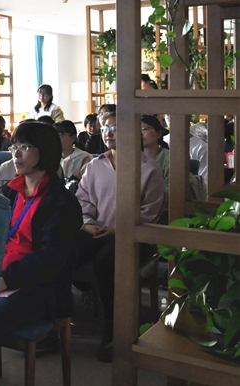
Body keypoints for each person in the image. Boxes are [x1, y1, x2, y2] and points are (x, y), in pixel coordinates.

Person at [75, 111, 165, 362]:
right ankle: (54, 319)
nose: (108, 133)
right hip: (97, 230)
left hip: (135, 237)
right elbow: (82, 200)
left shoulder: (148, 168)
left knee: (107, 262)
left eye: (115, 128)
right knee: (66, 248)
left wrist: (119, 230)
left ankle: (114, 330)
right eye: (105, 128)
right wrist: (87, 223)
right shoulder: (95, 165)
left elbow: (151, 212)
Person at [0, 123, 82, 339]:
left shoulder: (62, 202)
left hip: (38, 286)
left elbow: (51, 259)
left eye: (24, 147)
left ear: (45, 150)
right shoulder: (9, 192)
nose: (16, 154)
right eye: (14, 147)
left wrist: (6, 280)